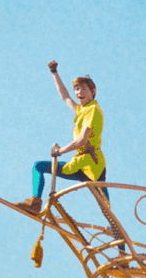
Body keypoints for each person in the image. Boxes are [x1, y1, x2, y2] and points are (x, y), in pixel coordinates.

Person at [15, 61, 107, 215]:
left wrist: (60, 151)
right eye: (77, 89)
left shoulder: (93, 110)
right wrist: (54, 73)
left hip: (92, 164)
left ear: (93, 91)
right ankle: (35, 203)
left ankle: (117, 230)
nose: (79, 93)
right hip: (79, 164)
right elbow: (65, 96)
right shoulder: (81, 111)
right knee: (39, 166)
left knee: (104, 203)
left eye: (83, 89)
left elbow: (82, 141)